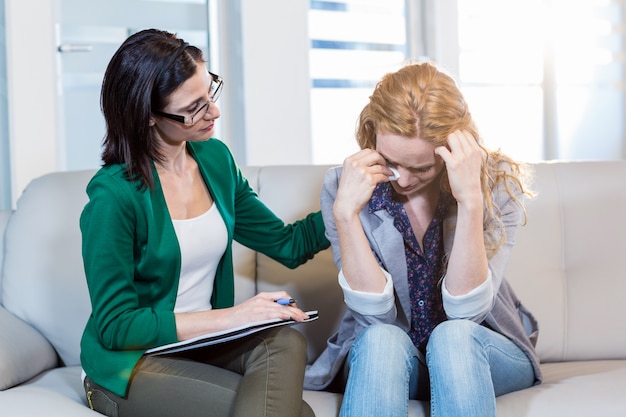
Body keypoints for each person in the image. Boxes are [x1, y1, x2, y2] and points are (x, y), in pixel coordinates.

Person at [79, 29, 329, 417]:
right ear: (146, 116)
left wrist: (345, 203)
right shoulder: (113, 196)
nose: (213, 112)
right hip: (129, 366)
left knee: (285, 342)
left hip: (200, 349)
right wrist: (234, 316)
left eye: (209, 92)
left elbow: (288, 245)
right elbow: (115, 325)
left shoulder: (215, 160)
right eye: (194, 107)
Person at [304, 61, 541, 416]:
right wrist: (346, 215)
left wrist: (470, 200)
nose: (402, 181)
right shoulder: (344, 186)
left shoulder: (496, 183)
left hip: (479, 349)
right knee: (382, 340)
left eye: (422, 168)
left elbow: (467, 312)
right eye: (392, 163)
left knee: (453, 338)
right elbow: (374, 318)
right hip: (393, 357)